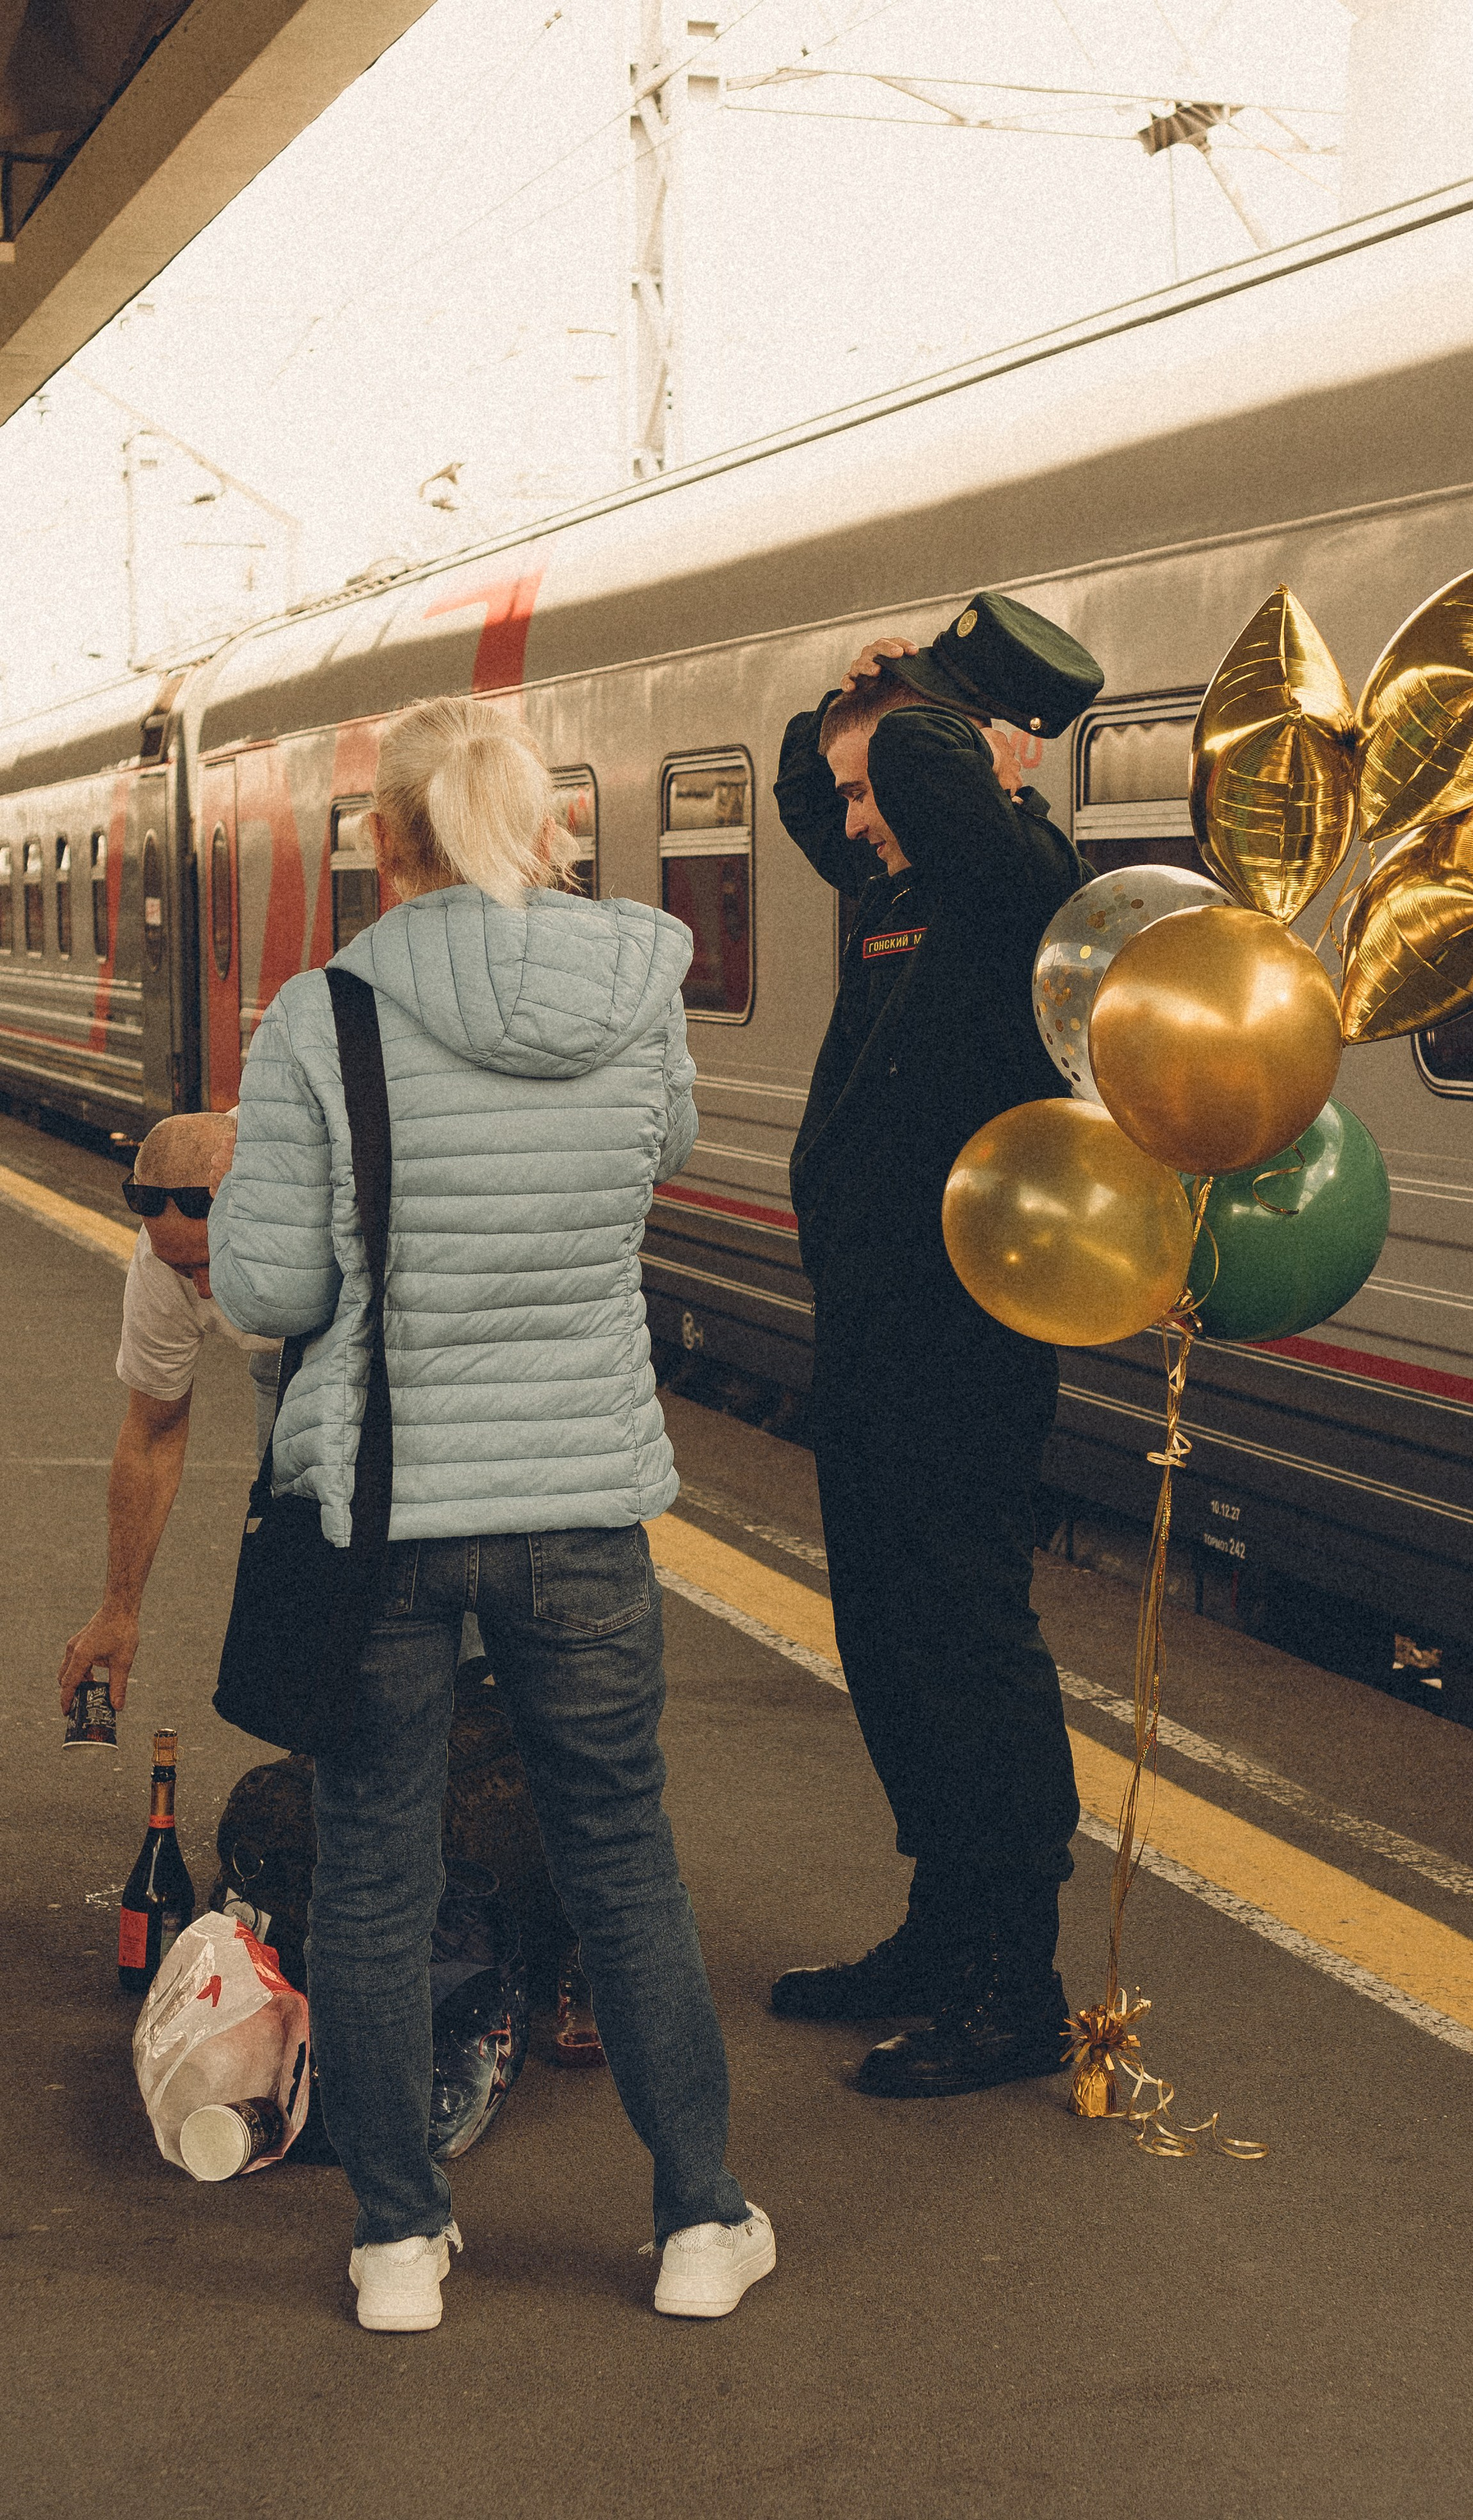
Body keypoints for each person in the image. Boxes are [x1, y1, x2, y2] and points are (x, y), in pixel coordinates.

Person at [209, 695, 772, 2332]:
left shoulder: (322, 1018)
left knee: (375, 1866)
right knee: (621, 1854)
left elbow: (267, 1281)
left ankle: (399, 2240)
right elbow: (651, 1152)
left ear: (382, 845)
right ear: (545, 830)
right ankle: (697, 2224)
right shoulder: (642, 986)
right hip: (583, 1498)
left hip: (379, 1507)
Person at [770, 591, 1103, 2100]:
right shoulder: (900, 885)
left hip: (964, 1341)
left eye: (879, 786)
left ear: (970, 760)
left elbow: (933, 794)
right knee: (887, 1640)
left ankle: (1006, 1982)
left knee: (964, 1644)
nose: (857, 819)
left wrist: (914, 717)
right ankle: (935, 1921)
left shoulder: (1018, 892)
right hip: (872, 1329)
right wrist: (827, 725)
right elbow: (820, 794)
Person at [57, 1112, 281, 1715]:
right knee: (296, 1540)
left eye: (213, 1262)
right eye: (186, 1270)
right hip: (282, 1361)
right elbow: (153, 1434)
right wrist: (118, 1606)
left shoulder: (315, 1178)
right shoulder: (162, 1260)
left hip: (399, 1344)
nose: (204, 1291)